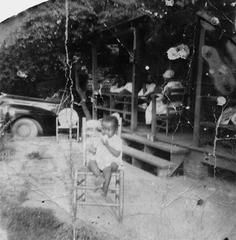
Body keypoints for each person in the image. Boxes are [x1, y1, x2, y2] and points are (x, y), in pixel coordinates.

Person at [88, 115, 122, 197]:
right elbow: (95, 149)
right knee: (91, 162)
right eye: (104, 129)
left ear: (115, 130)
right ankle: (99, 177)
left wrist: (107, 145)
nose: (106, 132)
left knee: (108, 169)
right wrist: (92, 149)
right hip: (100, 161)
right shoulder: (100, 138)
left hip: (111, 162)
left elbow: (117, 154)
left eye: (109, 130)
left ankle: (105, 188)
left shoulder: (117, 140)